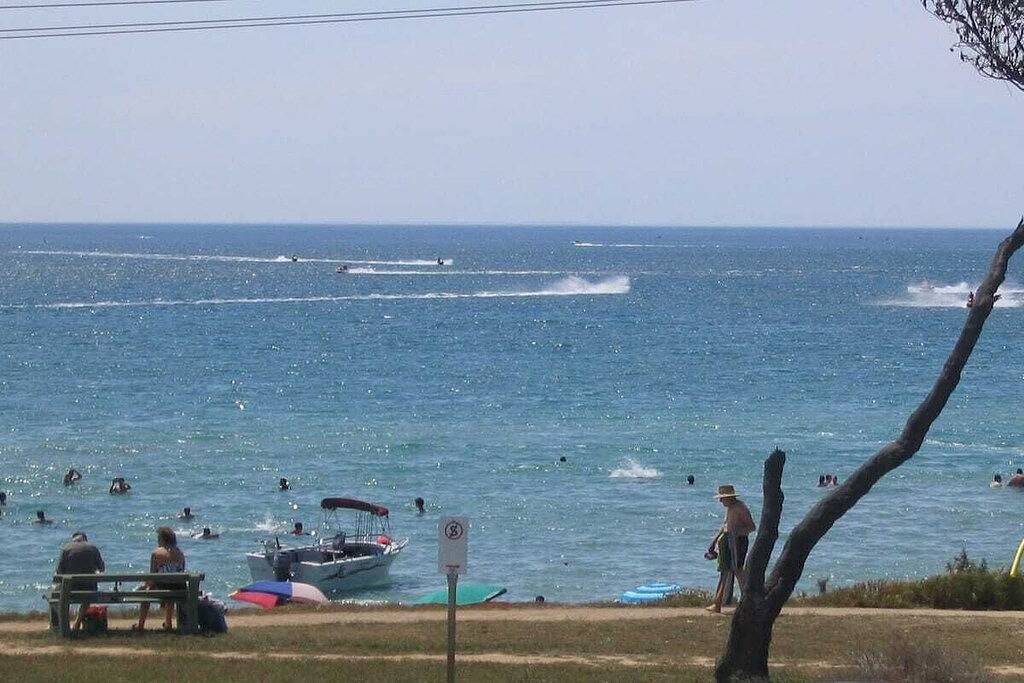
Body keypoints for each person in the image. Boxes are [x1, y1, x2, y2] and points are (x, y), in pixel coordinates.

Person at [707, 485, 756, 614]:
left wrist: (735, 533)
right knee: (724, 571)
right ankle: (718, 602)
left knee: (738, 570)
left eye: (722, 498)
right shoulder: (730, 508)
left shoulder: (741, 508)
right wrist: (714, 542)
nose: (720, 501)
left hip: (738, 541)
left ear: (729, 497)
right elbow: (725, 526)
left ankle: (747, 603)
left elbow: (751, 527)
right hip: (727, 541)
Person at [135, 527, 185, 633]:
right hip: (179, 588)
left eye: (159, 538)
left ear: (163, 539)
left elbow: (152, 576)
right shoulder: (180, 554)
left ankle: (140, 625)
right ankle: (168, 623)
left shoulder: (156, 553)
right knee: (171, 589)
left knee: (146, 592)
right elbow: (181, 572)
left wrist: (146, 586)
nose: (158, 540)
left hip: (162, 587)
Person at [55, 531, 105, 633]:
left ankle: (60, 623)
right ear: (85, 539)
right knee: (87, 595)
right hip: (88, 588)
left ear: (73, 540)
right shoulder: (93, 548)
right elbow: (102, 568)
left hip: (69, 589)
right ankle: (77, 623)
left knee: (56, 592)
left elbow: (59, 571)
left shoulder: (66, 548)